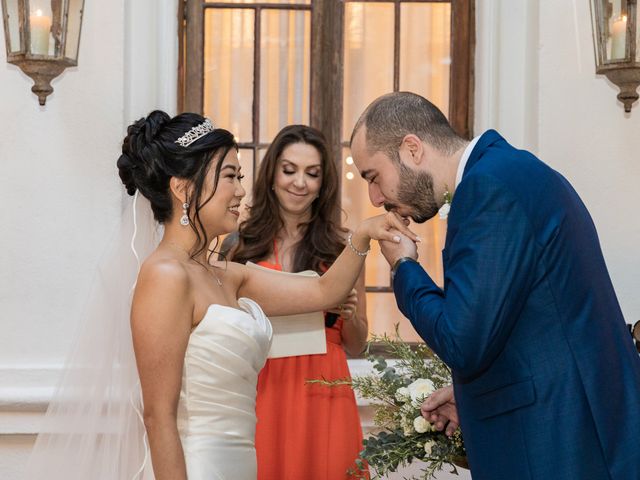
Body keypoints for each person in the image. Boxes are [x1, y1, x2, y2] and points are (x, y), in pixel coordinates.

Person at [25, 111, 413, 480]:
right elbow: (158, 417)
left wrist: (364, 235)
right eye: (230, 176)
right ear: (183, 188)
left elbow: (324, 290)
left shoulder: (227, 275)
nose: (242, 190)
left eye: (241, 176)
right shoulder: (164, 275)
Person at [349, 92, 640, 480]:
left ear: (412, 149)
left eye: (373, 176)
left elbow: (463, 342)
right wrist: (473, 394)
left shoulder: (489, 189)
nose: (375, 197)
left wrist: (404, 267)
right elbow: (531, 321)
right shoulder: (508, 172)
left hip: (561, 445)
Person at [224, 125, 368, 480]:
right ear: (272, 174)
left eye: (312, 173)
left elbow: (359, 345)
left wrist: (348, 315)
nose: (299, 182)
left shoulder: (342, 247)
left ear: (323, 184)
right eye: (289, 170)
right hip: (262, 384)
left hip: (325, 387)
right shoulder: (238, 245)